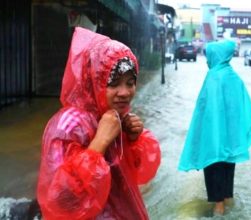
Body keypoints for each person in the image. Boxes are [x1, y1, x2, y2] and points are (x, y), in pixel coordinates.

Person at [37, 27, 161, 219]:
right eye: (114, 83)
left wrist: (135, 140)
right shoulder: (68, 126)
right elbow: (59, 203)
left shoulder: (115, 117)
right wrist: (99, 144)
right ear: (94, 80)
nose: (125, 92)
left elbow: (139, 175)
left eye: (130, 83)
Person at [178, 40, 251, 215]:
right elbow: (241, 108)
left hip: (213, 139)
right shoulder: (233, 77)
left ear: (215, 55)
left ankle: (219, 209)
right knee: (227, 172)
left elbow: (203, 110)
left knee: (214, 169)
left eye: (209, 55)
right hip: (231, 139)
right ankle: (227, 202)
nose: (208, 59)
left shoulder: (213, 77)